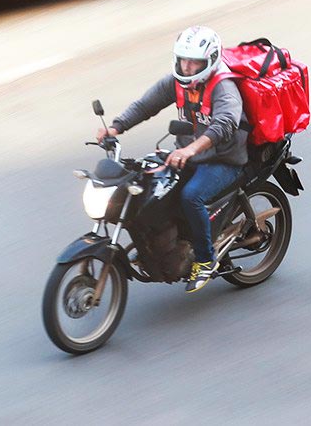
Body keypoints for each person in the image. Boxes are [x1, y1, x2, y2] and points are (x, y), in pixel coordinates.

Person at [96, 26, 249, 293]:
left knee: (191, 196)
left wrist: (191, 150)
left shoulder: (223, 86)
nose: (188, 67)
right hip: (187, 154)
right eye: (183, 60)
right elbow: (146, 105)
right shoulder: (177, 81)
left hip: (223, 159)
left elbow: (225, 124)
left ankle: (204, 259)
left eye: (195, 62)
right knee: (148, 185)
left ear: (210, 60)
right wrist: (116, 127)